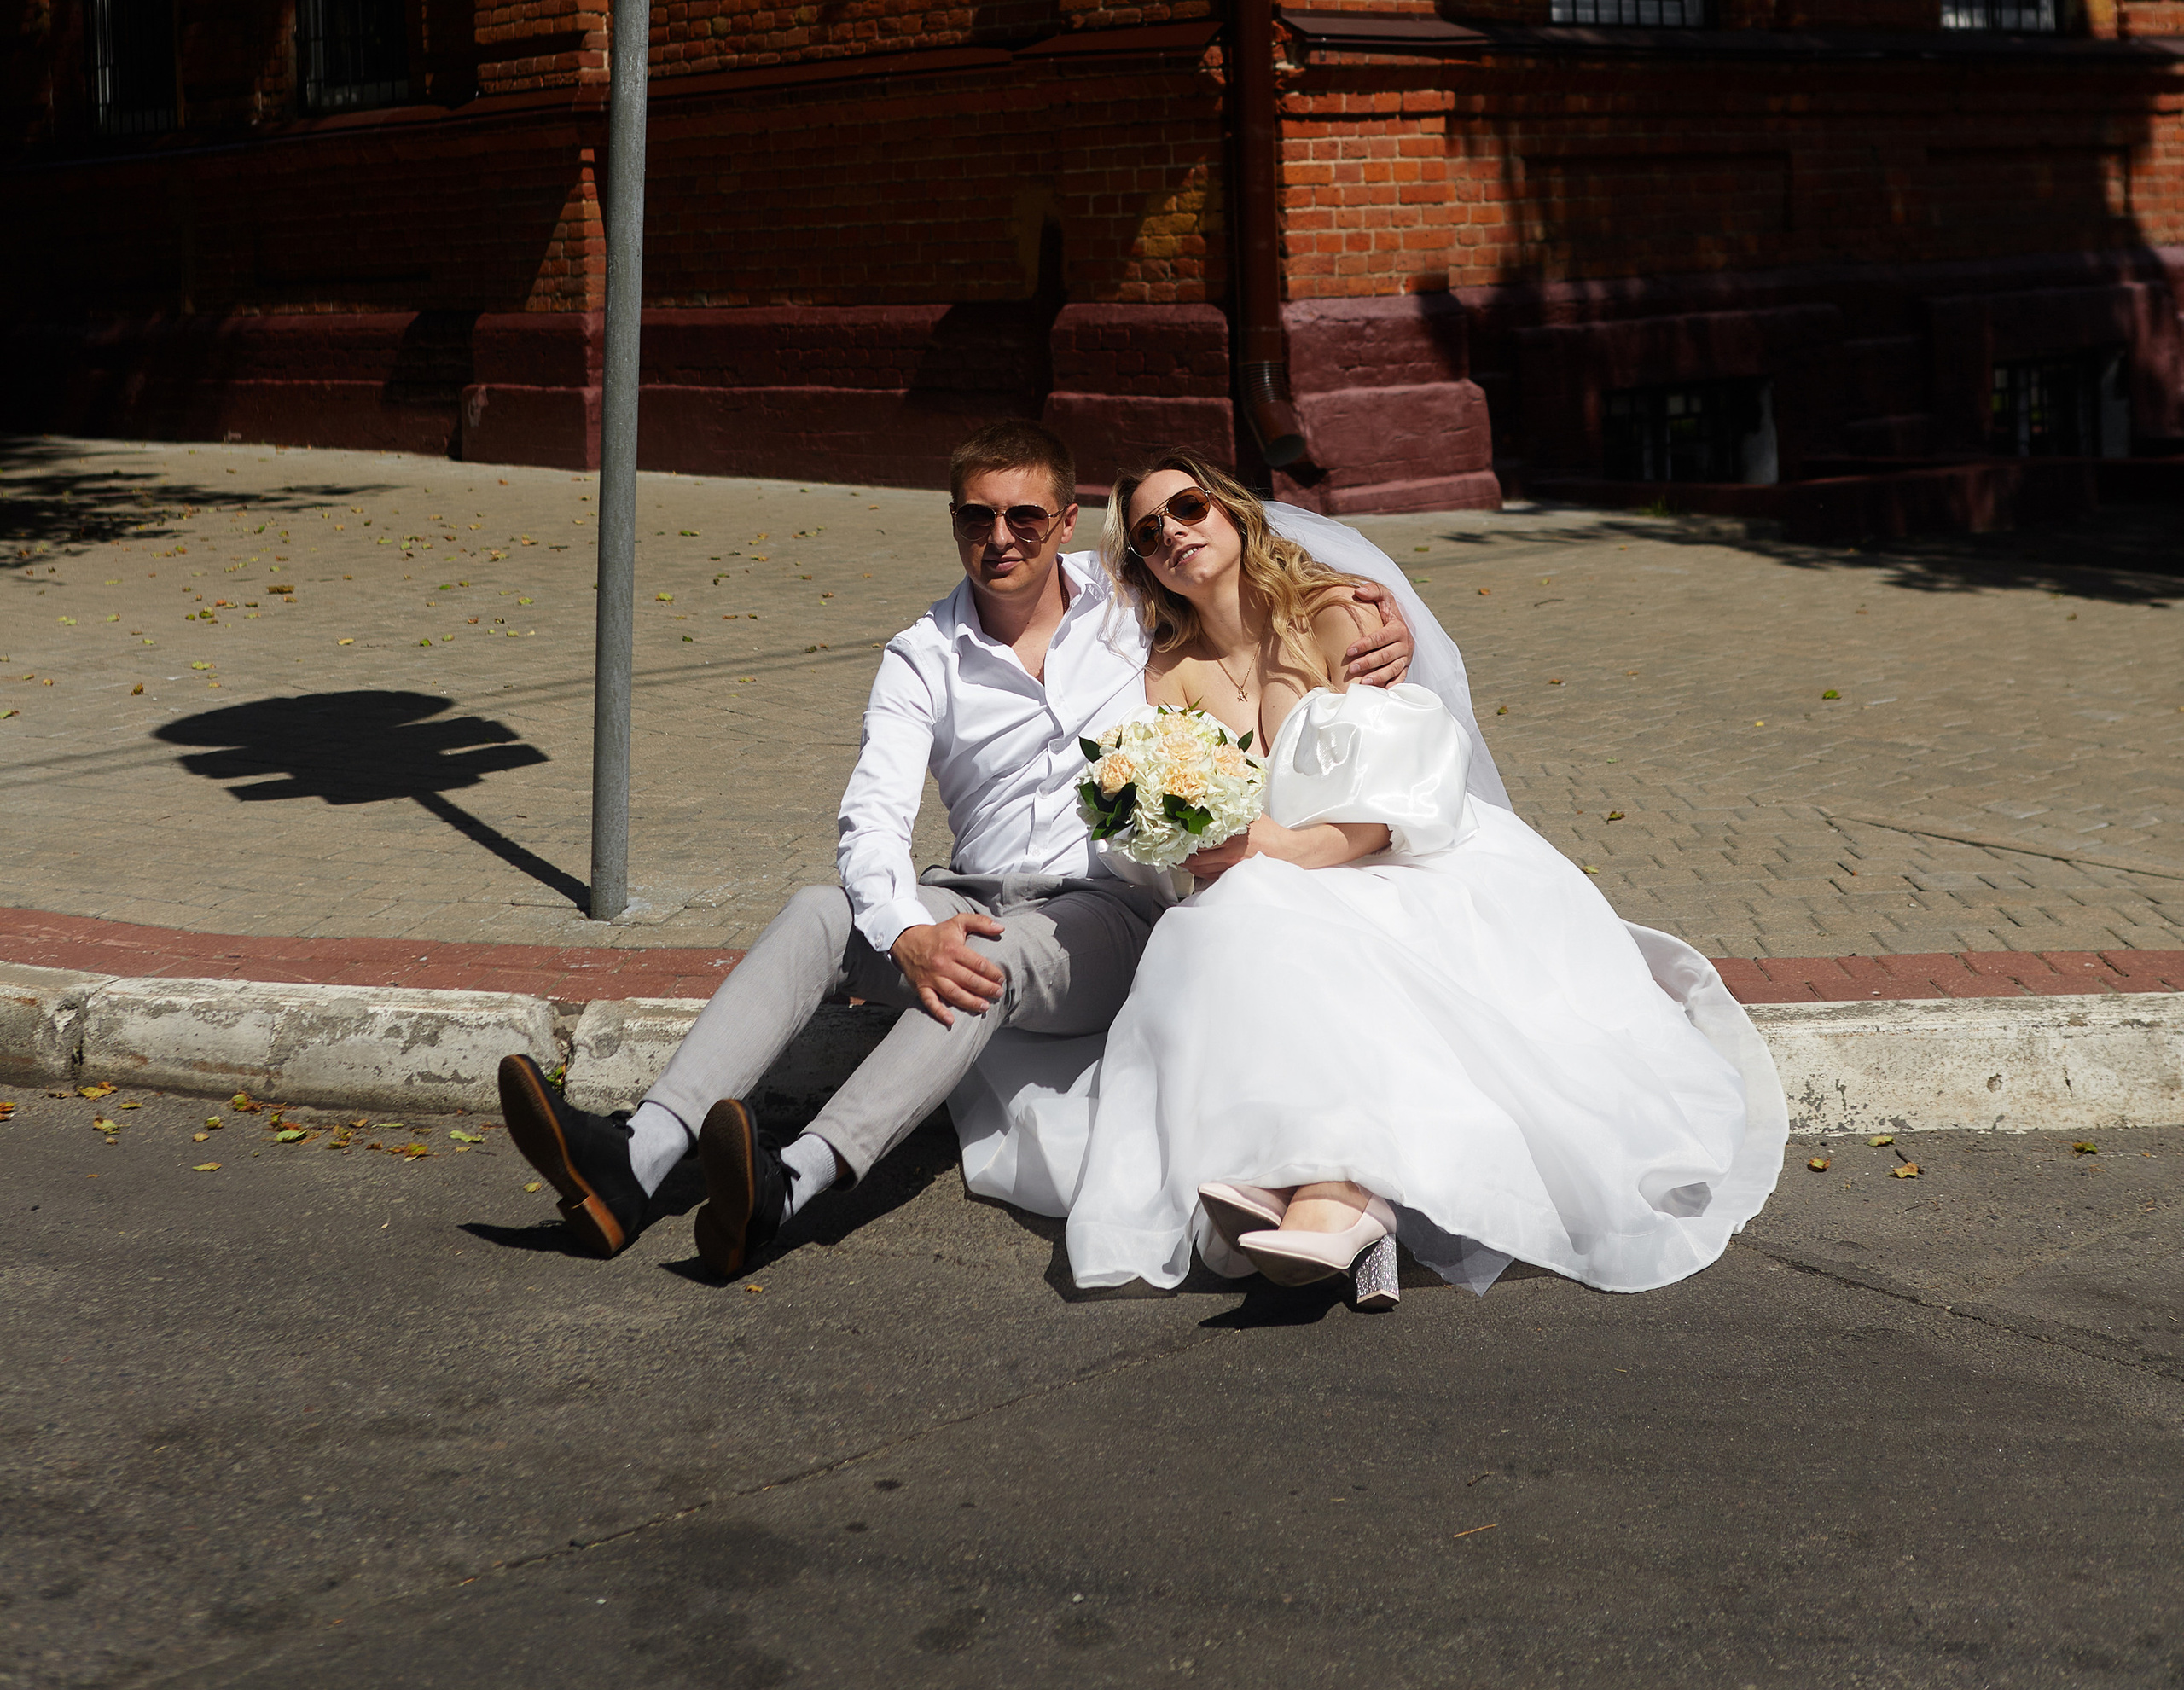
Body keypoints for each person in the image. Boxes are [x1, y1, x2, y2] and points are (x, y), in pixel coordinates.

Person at [494, 420, 1424, 1273]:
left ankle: (796, 1179)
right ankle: (639, 1156)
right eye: (978, 518)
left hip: (1100, 911)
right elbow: (870, 822)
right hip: (967, 889)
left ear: (1064, 523)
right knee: (825, 910)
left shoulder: (1130, 602)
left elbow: (1239, 575)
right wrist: (904, 930)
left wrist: (1376, 611)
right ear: (953, 524)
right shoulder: (921, 655)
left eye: (1025, 517)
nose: (1001, 537)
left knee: (983, 955)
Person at [1014, 455, 1787, 1308]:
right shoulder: (1170, 672)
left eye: (1188, 508)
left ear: (1233, 513)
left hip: (1408, 858)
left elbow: (1398, 802)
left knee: (1270, 924)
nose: (1173, 536)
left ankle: (1327, 1191)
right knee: (1230, 927)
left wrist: (1268, 849)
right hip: (1274, 879)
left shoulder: (1344, 614)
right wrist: (1173, 831)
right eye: (1148, 534)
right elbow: (1175, 801)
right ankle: (1326, 1196)